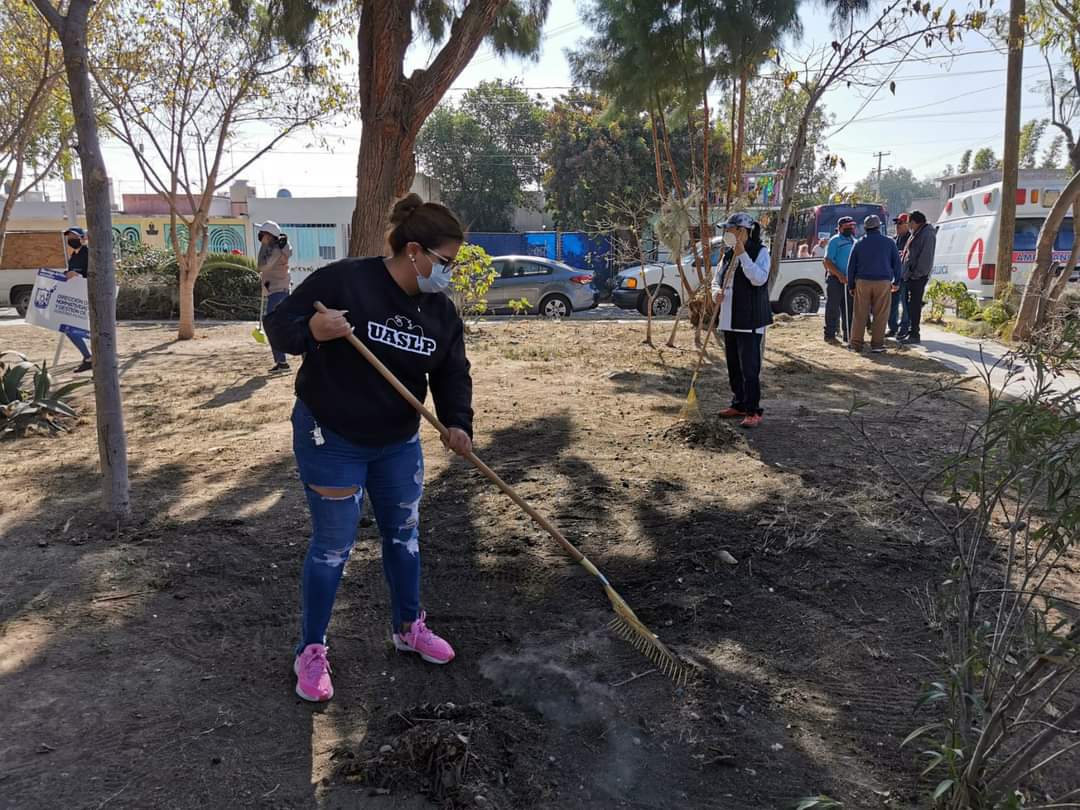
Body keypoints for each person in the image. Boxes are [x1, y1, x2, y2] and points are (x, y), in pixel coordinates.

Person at [264, 193, 473, 703]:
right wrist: (313, 330)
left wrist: (457, 423)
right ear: (415, 251)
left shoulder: (440, 312)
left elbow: (451, 372)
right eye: (445, 262)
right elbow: (280, 325)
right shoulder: (346, 280)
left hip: (398, 441)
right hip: (331, 436)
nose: (449, 272)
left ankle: (408, 627)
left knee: (404, 537)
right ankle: (310, 649)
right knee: (334, 547)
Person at [711, 212, 772, 429]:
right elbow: (716, 279)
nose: (727, 234)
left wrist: (744, 255)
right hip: (729, 317)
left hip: (750, 319)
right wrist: (715, 292)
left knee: (749, 368)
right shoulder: (727, 255)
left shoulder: (760, 252)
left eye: (730, 230)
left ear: (743, 231)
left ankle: (753, 410)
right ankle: (738, 403)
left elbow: (759, 279)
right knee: (734, 366)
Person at [847, 215, 901, 354]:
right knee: (881, 314)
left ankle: (856, 344)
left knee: (860, 314)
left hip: (862, 282)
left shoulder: (858, 243)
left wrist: (851, 285)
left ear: (865, 228)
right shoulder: (889, 242)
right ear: (879, 227)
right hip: (883, 282)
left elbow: (851, 266)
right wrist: (897, 281)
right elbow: (897, 264)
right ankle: (877, 344)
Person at [256, 220, 293, 373]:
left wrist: (263, 246)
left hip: (278, 292)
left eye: (263, 234)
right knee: (277, 325)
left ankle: (282, 361)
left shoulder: (275, 251)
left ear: (269, 236)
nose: (260, 236)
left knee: (272, 325)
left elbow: (261, 266)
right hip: (277, 291)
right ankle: (281, 361)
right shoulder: (276, 248)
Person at [899, 210, 937, 345]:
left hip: (918, 277)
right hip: (911, 276)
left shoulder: (927, 234)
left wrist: (915, 274)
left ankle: (915, 333)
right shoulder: (917, 233)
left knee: (914, 306)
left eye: (910, 223)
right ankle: (910, 331)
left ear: (915, 222)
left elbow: (925, 258)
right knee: (910, 306)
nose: (909, 226)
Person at [62, 227, 93, 373]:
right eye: (69, 238)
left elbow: (92, 274)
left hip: (88, 297)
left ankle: (96, 360)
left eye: (74, 237)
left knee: (88, 330)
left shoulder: (88, 253)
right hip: (76, 297)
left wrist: (78, 276)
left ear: (82, 238)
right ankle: (88, 357)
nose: (71, 240)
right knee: (69, 329)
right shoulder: (73, 256)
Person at [823, 217, 857, 345]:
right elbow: (827, 261)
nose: (850, 228)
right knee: (833, 307)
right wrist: (839, 275)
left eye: (852, 226)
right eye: (848, 226)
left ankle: (848, 335)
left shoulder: (854, 241)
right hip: (835, 280)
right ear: (841, 227)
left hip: (850, 281)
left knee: (849, 308)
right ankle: (830, 334)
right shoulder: (835, 240)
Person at [887, 213, 912, 337]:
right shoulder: (894, 240)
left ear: (908, 224)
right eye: (896, 223)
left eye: (900, 223)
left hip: (905, 277)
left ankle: (904, 327)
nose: (897, 226)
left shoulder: (911, 239)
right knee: (892, 304)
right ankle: (892, 327)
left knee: (905, 304)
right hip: (893, 277)